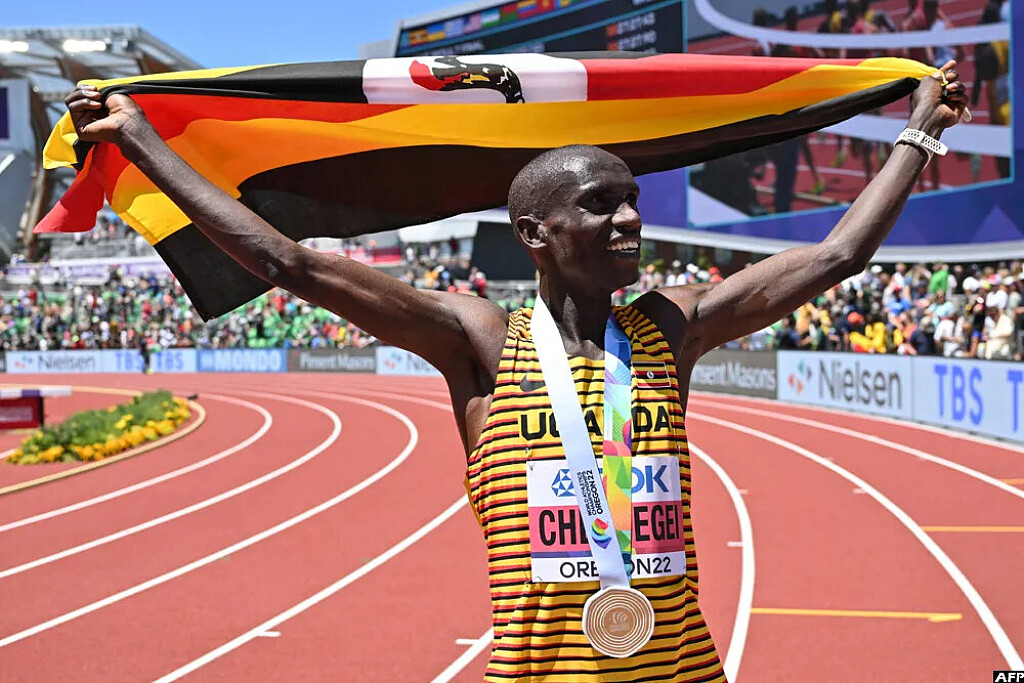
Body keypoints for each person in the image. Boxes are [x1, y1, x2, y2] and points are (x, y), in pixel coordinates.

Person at [64, 63, 967, 681]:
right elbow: (289, 262)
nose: (630, 220)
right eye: (601, 204)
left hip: (680, 670)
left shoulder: (668, 328)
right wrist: (143, 144)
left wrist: (918, 134)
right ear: (535, 233)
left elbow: (837, 256)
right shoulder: (479, 341)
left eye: (633, 201)